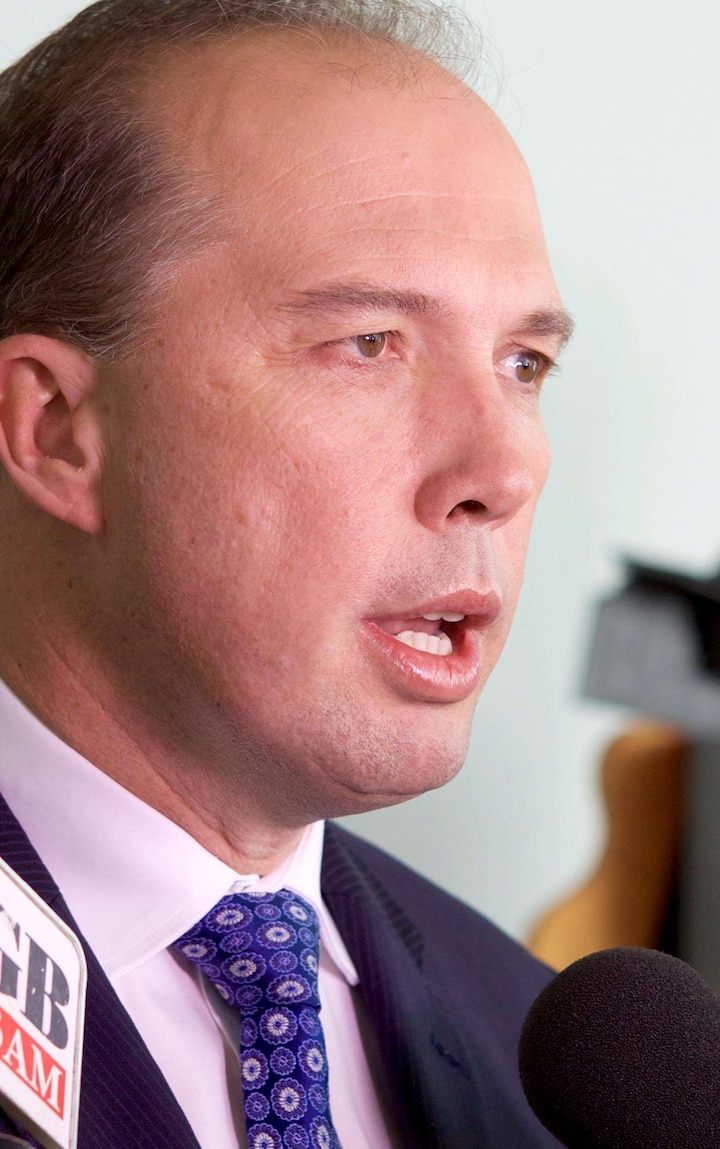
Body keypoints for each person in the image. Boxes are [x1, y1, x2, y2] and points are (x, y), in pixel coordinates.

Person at [0, 1, 572, 1146]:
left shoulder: (535, 1051)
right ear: (59, 429)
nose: (501, 470)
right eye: (370, 343)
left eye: (523, 362)